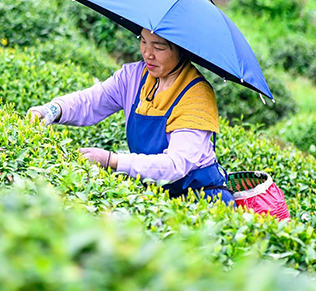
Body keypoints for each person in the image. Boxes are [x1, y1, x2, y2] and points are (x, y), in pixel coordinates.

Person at [28, 28, 289, 218]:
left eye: (159, 47)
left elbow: (174, 165)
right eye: (143, 41)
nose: (147, 53)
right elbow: (93, 101)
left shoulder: (197, 96)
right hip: (158, 197)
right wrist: (51, 110)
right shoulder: (134, 75)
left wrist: (112, 160)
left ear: (182, 50)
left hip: (201, 204)